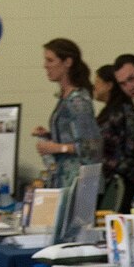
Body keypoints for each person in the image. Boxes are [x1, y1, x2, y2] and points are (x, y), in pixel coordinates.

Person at [32, 38, 103, 191]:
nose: (45, 65)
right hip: (65, 179)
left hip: (78, 182)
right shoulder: (65, 98)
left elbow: (90, 146)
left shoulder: (77, 101)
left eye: (50, 60)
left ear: (67, 62)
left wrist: (56, 148)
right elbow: (74, 136)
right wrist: (50, 135)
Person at [93, 64, 134, 206]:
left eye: (97, 82)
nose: (94, 87)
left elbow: (133, 147)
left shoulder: (124, 111)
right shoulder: (108, 112)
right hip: (106, 177)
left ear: (109, 85)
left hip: (122, 180)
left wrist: (116, 166)